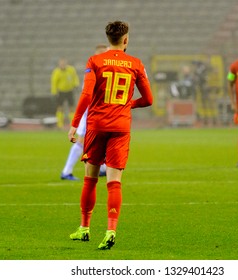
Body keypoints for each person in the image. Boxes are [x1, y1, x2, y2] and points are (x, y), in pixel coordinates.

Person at [68, 21, 153, 250]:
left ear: (108, 39)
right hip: (120, 127)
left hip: (97, 125)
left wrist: (75, 124)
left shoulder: (95, 61)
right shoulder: (135, 64)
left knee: (90, 179)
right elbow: (148, 100)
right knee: (114, 183)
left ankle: (84, 229)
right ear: (125, 39)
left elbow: (86, 94)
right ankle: (111, 231)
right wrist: (127, 104)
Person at [60, 44, 109, 181]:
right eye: (101, 53)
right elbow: (88, 95)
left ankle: (102, 168)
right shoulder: (93, 69)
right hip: (90, 114)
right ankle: (66, 171)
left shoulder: (103, 69)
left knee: (101, 140)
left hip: (99, 113)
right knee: (81, 141)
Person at [51, 58, 80, 128]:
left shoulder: (71, 69)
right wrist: (54, 92)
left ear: (66, 64)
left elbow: (75, 77)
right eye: (61, 64)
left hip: (70, 90)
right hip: (61, 92)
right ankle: (60, 124)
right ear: (59, 64)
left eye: (64, 63)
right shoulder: (56, 72)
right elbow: (54, 82)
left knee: (71, 107)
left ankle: (72, 123)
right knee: (60, 108)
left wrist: (76, 84)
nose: (63, 65)